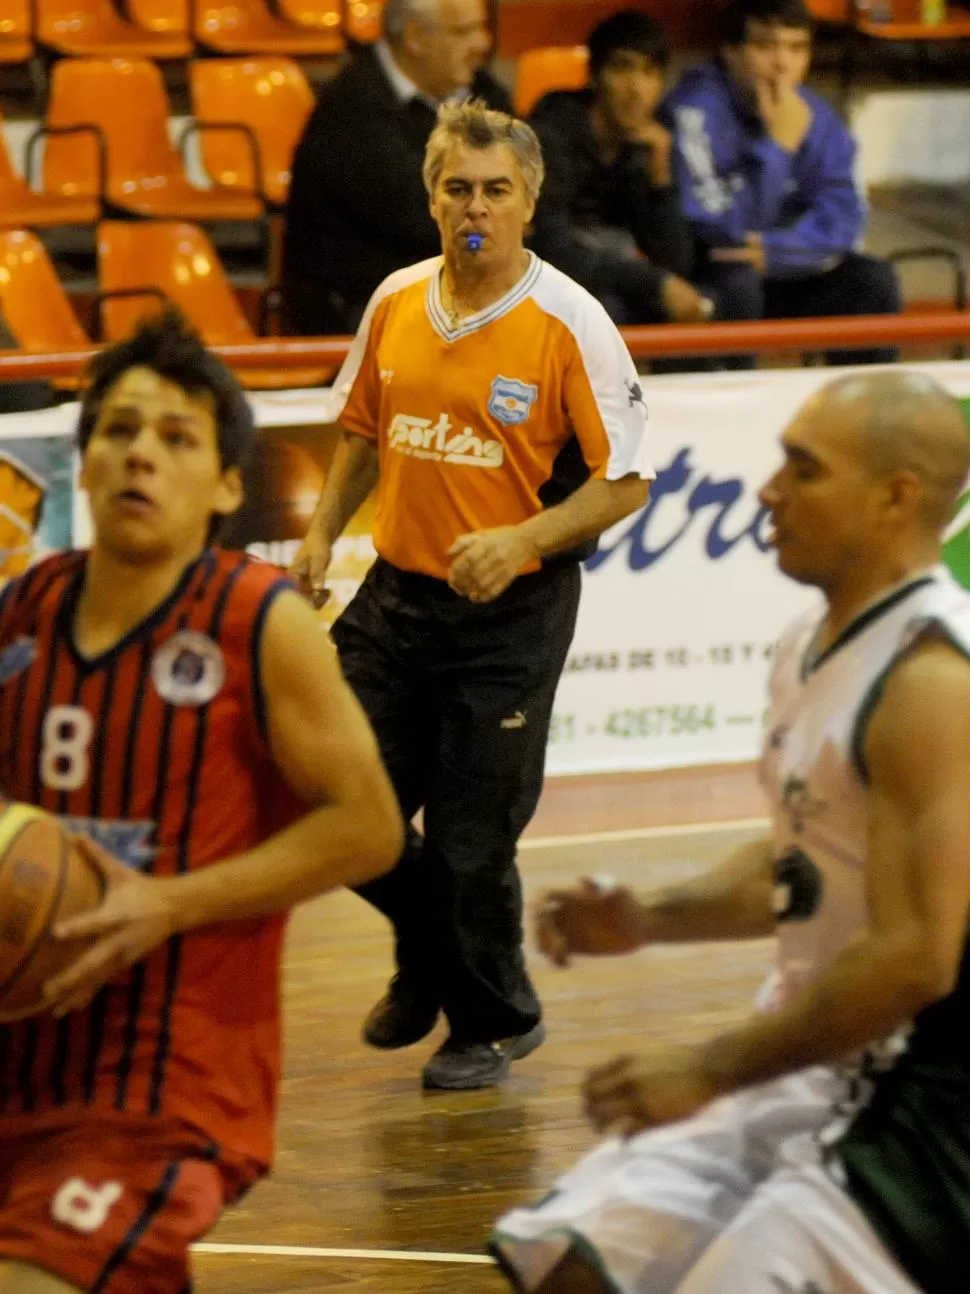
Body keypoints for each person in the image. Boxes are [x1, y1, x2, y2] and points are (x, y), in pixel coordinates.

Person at [491, 369, 970, 1294]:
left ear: (895, 498)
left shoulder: (930, 684)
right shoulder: (809, 643)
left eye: (804, 468)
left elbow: (917, 957)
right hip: (804, 1052)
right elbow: (806, 862)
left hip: (912, 1092)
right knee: (569, 1266)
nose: (767, 489)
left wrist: (709, 1065)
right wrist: (649, 919)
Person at [0, 310, 402, 1294]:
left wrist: (168, 902)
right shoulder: (25, 610)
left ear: (226, 484)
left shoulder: (258, 625)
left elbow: (370, 828)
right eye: (119, 430)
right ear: (82, 461)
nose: (142, 453)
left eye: (177, 438)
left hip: (162, 1091)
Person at [291, 101, 652, 1091]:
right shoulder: (397, 299)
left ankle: (489, 1020)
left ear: (531, 200)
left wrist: (520, 539)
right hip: (394, 602)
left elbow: (624, 482)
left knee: (465, 840)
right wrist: (323, 532)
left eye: (496, 189)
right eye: (457, 188)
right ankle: (429, 955)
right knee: (336, 801)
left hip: (509, 616)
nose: (474, 207)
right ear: (430, 194)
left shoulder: (571, 321)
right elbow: (363, 428)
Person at [660, 0, 901, 366]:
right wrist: (777, 148)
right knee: (738, 282)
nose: (782, 64)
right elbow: (720, 228)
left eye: (796, 48)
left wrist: (778, 252)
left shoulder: (813, 114)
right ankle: (734, 413)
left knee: (873, 281)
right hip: (714, 273)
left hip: (785, 266)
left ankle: (866, 415)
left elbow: (845, 220)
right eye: (765, 46)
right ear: (731, 52)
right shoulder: (695, 110)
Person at [283, 0, 510, 337]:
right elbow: (428, 221)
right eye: (464, 32)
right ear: (416, 38)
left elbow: (530, 186)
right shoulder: (351, 110)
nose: (482, 44)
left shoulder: (484, 93)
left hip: (455, 283)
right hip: (363, 302)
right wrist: (498, 235)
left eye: (481, 28)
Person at [529, 11, 711, 328]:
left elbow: (677, 262)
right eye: (622, 68)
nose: (637, 87)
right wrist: (654, 282)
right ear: (594, 76)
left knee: (716, 297)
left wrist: (660, 179)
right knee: (607, 308)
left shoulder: (648, 144)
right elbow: (552, 250)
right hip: (548, 280)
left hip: (613, 276)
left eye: (650, 72)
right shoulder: (549, 136)